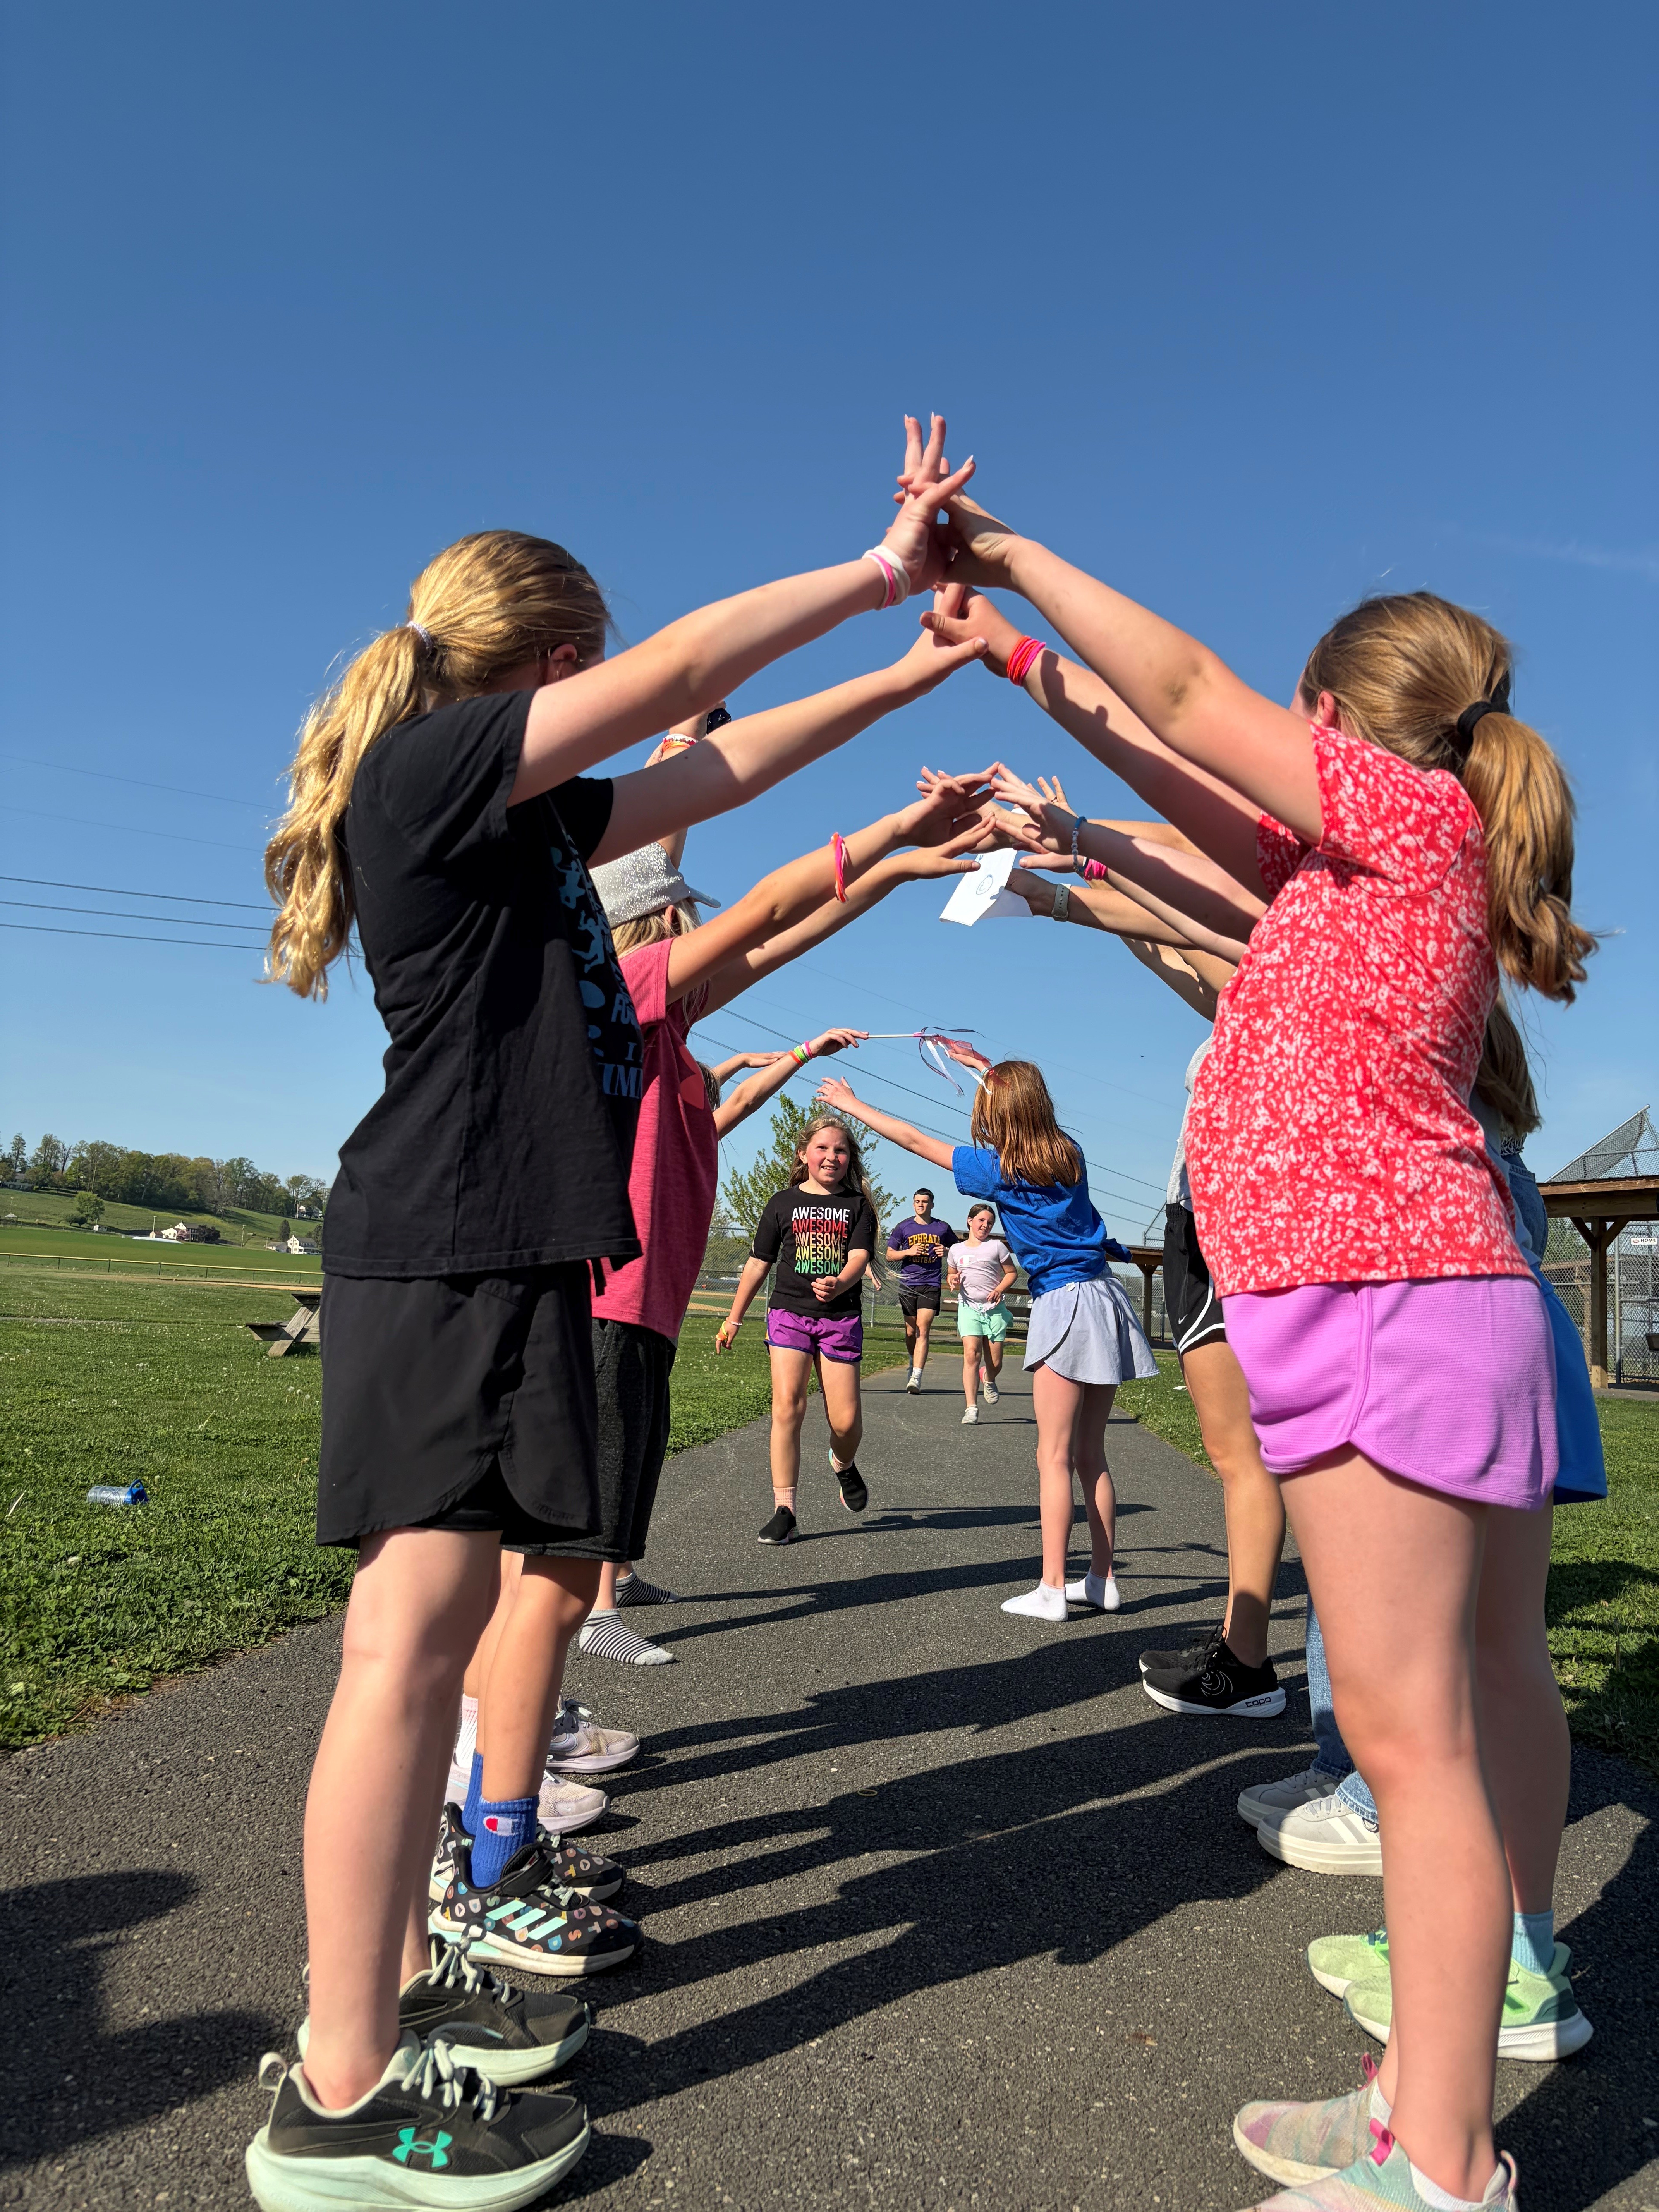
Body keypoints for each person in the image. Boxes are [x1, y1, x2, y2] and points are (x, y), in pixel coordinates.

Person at [250, 421, 987, 2207]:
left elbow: (715, 767)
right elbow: (684, 679)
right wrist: (883, 565)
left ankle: (388, 2014)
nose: (616, 686)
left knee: (427, 1641)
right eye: (596, 663)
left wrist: (903, 679)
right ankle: (341, 2092)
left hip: (497, 1246)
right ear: (552, 666)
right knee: (400, 1645)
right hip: (440, 1241)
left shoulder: (514, 817)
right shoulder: (431, 771)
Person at [927, 471, 1594, 2211]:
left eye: (1290, 728)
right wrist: (1012, 665)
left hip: (1384, 1299)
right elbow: (1166, 784)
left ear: (1341, 724)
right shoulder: (1358, 857)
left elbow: (1180, 697)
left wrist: (1009, 557)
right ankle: (1425, 2080)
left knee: (1407, 1736)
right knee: (1455, 1705)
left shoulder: (1412, 821)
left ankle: (1436, 2156)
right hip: (1414, 1295)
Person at [817, 1058, 1157, 1621]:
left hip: (1065, 1302)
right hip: (1103, 1296)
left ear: (997, 1111)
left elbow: (913, 1138)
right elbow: (1017, 1100)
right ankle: (1102, 1580)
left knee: (1053, 1456)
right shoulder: (1068, 1151)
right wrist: (984, 1068)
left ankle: (1052, 1589)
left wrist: (853, 1108)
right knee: (1091, 1455)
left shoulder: (997, 1168)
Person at [716, 1115, 881, 1543]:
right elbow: (758, 1263)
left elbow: (860, 1258)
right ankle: (784, 1509)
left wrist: (841, 1282)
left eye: (841, 1150)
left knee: (846, 1425)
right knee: (788, 1407)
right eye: (823, 1148)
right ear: (804, 1154)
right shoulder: (781, 1202)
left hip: (840, 1319)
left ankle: (842, 1465)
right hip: (788, 1313)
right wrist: (734, 1318)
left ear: (850, 1158)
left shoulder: (859, 1206)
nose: (832, 1157)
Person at [948, 1201, 1017, 1421]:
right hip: (969, 1307)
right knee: (971, 1354)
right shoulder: (956, 1250)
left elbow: (1011, 1274)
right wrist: (953, 1279)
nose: (985, 1226)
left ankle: (988, 1378)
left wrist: (999, 1290)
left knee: (995, 1363)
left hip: (994, 1309)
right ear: (970, 1221)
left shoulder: (997, 1247)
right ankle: (971, 1408)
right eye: (981, 1220)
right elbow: (951, 1273)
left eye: (990, 1223)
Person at [886, 1189, 960, 1390]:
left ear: (932, 1205)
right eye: (918, 1201)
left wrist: (946, 1251)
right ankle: (912, 1361)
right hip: (909, 1284)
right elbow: (889, 1254)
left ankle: (917, 1377)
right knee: (911, 1331)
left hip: (932, 1283)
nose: (921, 1205)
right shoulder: (904, 1227)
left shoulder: (942, 1228)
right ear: (913, 1204)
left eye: (925, 1202)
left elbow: (961, 1250)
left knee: (922, 1329)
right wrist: (908, 1251)